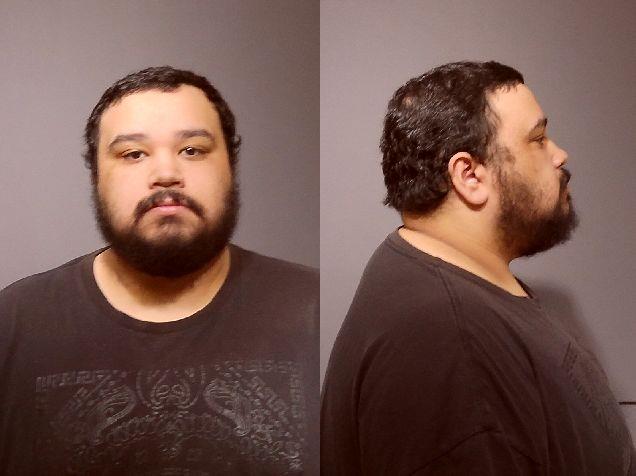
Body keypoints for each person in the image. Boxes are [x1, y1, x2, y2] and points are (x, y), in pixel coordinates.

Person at [0, 66, 318, 475]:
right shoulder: (14, 324)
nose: (167, 174)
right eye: (133, 154)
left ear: (231, 166)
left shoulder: (313, 309)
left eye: (193, 150)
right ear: (96, 177)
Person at [321, 61, 634, 474]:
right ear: (469, 175)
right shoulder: (447, 345)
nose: (560, 155)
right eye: (538, 139)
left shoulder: (462, 289)